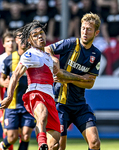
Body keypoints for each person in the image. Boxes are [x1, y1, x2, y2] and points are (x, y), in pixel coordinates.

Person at [0, 20, 92, 150]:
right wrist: (8, 97)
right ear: (30, 41)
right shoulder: (30, 54)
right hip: (35, 94)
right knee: (41, 114)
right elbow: (15, 75)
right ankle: (42, 144)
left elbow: (61, 75)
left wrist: (81, 78)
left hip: (50, 98)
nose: (40, 37)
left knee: (55, 142)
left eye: (41, 33)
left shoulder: (49, 57)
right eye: (35, 35)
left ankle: (45, 145)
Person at [45, 12, 101, 150]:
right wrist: (54, 59)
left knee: (95, 143)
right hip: (60, 104)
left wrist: (67, 77)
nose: (85, 32)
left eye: (89, 29)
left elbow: (90, 83)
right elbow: (47, 49)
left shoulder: (96, 54)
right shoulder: (70, 44)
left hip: (79, 105)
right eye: (83, 28)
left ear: (96, 32)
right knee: (56, 146)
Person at [0, 27, 36, 150]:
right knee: (12, 137)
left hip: (29, 104)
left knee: (25, 135)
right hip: (12, 104)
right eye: (21, 38)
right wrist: (5, 82)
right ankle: (3, 146)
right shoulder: (9, 59)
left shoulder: (34, 58)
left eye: (26, 37)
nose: (24, 40)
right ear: (17, 41)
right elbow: (2, 79)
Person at [0, 31, 16, 150]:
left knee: (23, 130)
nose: (10, 43)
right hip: (5, 98)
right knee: (7, 130)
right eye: (8, 41)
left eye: (12, 41)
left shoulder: (22, 58)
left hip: (19, 98)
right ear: (3, 44)